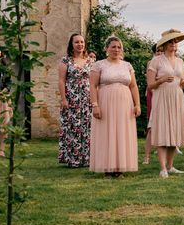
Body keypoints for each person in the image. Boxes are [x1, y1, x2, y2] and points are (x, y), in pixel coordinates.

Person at [89, 36, 141, 177]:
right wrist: (95, 105)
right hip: (105, 102)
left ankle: (120, 166)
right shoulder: (99, 65)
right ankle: (108, 166)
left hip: (125, 103)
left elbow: (134, 86)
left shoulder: (127, 65)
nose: (116, 49)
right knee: (107, 132)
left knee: (122, 132)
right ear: (107, 48)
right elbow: (93, 86)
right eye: (113, 47)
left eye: (119, 47)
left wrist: (137, 104)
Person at [147, 29, 184, 178]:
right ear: (165, 45)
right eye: (171, 42)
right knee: (163, 129)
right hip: (162, 97)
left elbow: (181, 85)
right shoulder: (156, 61)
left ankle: (171, 166)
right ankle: (162, 168)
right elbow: (150, 85)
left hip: (177, 97)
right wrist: (162, 80)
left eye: (176, 42)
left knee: (175, 131)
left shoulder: (180, 61)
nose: (174, 44)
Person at [58, 33, 93, 167]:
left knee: (87, 127)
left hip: (87, 98)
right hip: (71, 98)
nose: (80, 45)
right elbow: (61, 81)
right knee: (72, 127)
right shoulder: (65, 61)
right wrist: (63, 99)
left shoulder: (90, 61)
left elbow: (94, 81)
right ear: (71, 45)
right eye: (77, 42)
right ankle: (73, 159)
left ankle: (87, 159)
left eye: (82, 42)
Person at [142, 43, 163, 165]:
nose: (160, 53)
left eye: (161, 51)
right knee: (152, 126)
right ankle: (147, 156)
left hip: (166, 95)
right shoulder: (151, 63)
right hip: (154, 94)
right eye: (157, 51)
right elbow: (149, 82)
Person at [0, 49, 12, 158]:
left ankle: (1, 150)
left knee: (3, 125)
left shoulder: (5, 69)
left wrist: (4, 90)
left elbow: (8, 83)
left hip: (2, 99)